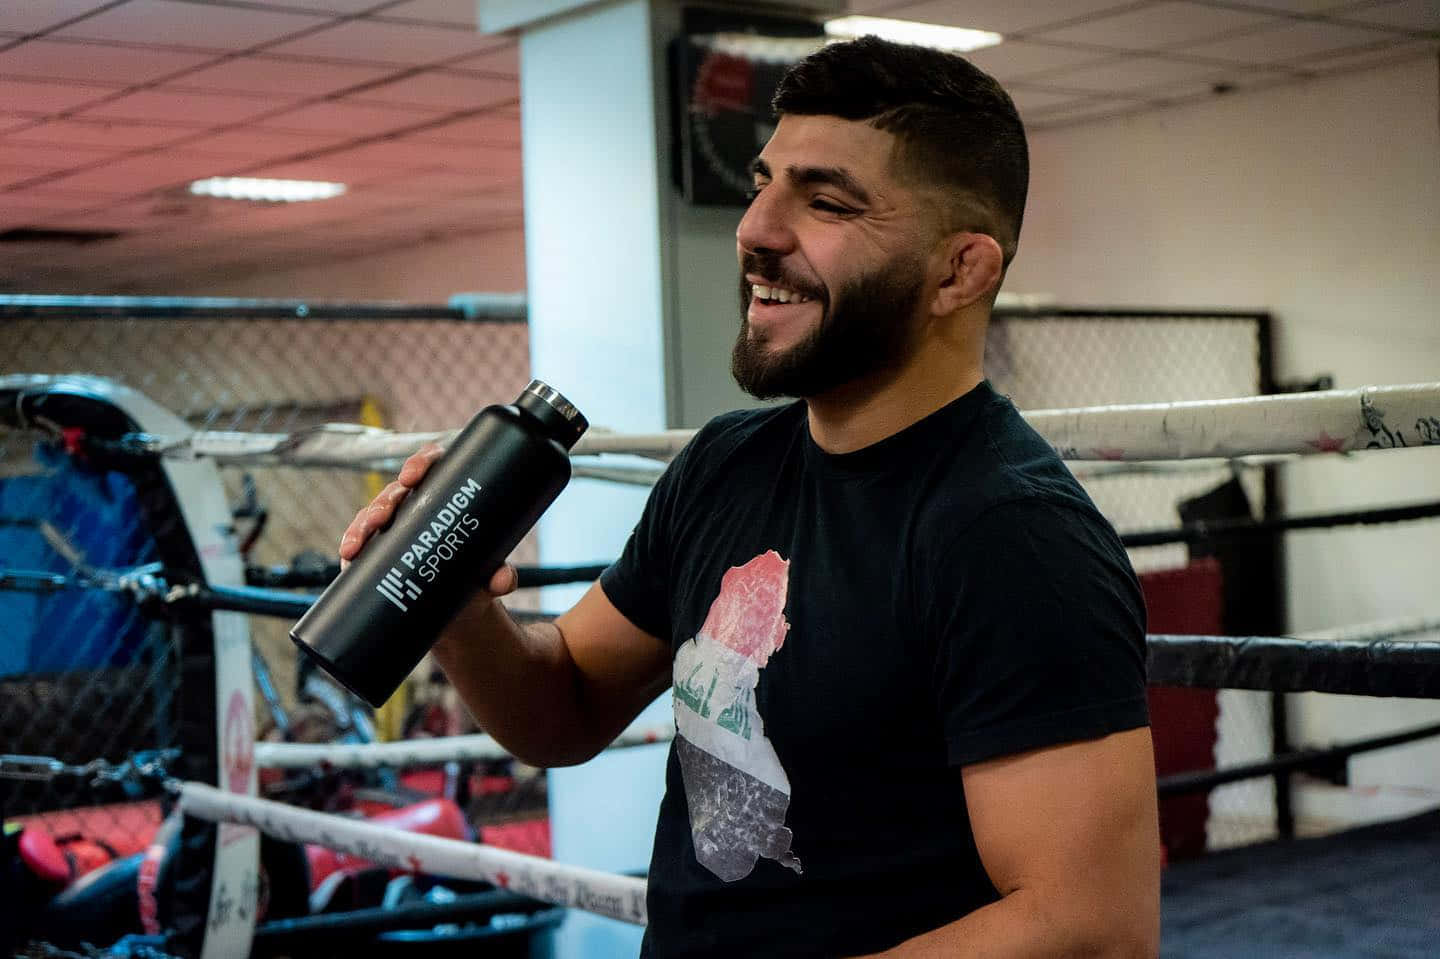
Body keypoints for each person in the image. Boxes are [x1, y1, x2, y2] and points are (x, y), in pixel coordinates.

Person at [341, 35, 1160, 959]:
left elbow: (1090, 928)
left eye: (825, 201)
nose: (756, 228)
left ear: (958, 270)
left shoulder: (1008, 535)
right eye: (763, 182)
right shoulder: (727, 464)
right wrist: (449, 605)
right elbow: (562, 706)